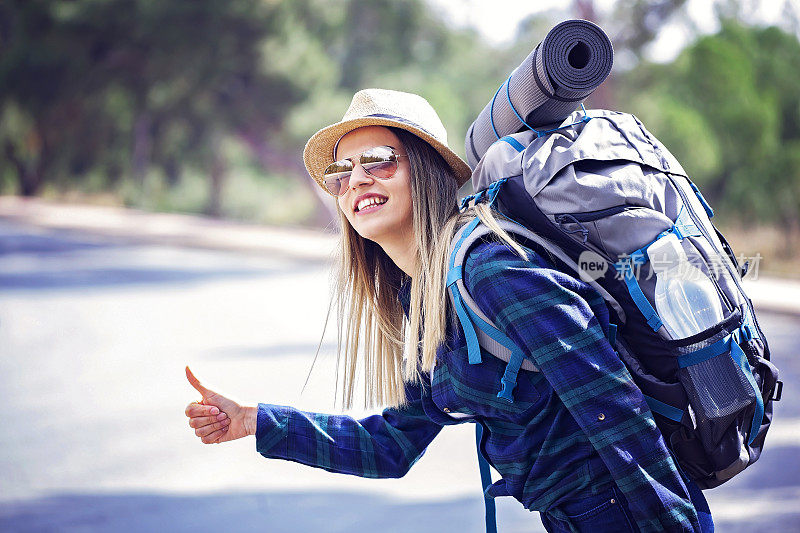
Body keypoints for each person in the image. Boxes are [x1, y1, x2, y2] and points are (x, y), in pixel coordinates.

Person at [184, 88, 711, 532]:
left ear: (427, 170)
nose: (358, 180)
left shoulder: (490, 272)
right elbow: (388, 446)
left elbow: (614, 409)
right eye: (342, 172)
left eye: (379, 161)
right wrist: (253, 421)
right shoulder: (428, 302)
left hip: (632, 514)